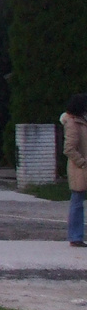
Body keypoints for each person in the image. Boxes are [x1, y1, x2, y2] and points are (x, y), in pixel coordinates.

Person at [63, 92, 87, 247]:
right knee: (77, 202)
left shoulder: (82, 121)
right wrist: (83, 162)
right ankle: (75, 236)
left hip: (83, 167)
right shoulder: (73, 123)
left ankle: (76, 235)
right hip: (80, 169)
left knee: (77, 202)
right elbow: (69, 149)